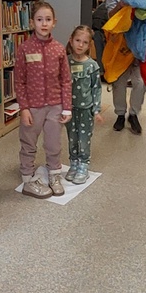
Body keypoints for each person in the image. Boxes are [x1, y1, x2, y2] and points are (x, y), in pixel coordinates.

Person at [14, 1, 72, 198]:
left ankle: (54, 174)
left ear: (54, 22)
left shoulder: (59, 49)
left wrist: (66, 107)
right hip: (32, 107)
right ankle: (28, 179)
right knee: (28, 143)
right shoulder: (24, 48)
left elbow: (66, 80)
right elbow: (19, 81)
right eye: (39, 19)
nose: (44, 23)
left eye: (48, 19)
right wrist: (24, 108)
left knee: (54, 143)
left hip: (55, 106)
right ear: (32, 22)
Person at [105, 0, 146, 134]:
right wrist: (120, 5)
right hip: (121, 42)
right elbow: (110, 16)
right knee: (119, 82)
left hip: (141, 41)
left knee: (140, 82)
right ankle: (120, 114)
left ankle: (134, 115)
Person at [64, 25, 103, 185]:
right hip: (69, 109)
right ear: (71, 40)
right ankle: (73, 162)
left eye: (85, 42)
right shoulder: (65, 61)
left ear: (89, 45)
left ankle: (83, 165)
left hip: (86, 110)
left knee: (84, 138)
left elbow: (96, 88)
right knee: (72, 137)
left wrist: (96, 110)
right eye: (77, 40)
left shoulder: (92, 65)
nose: (80, 45)